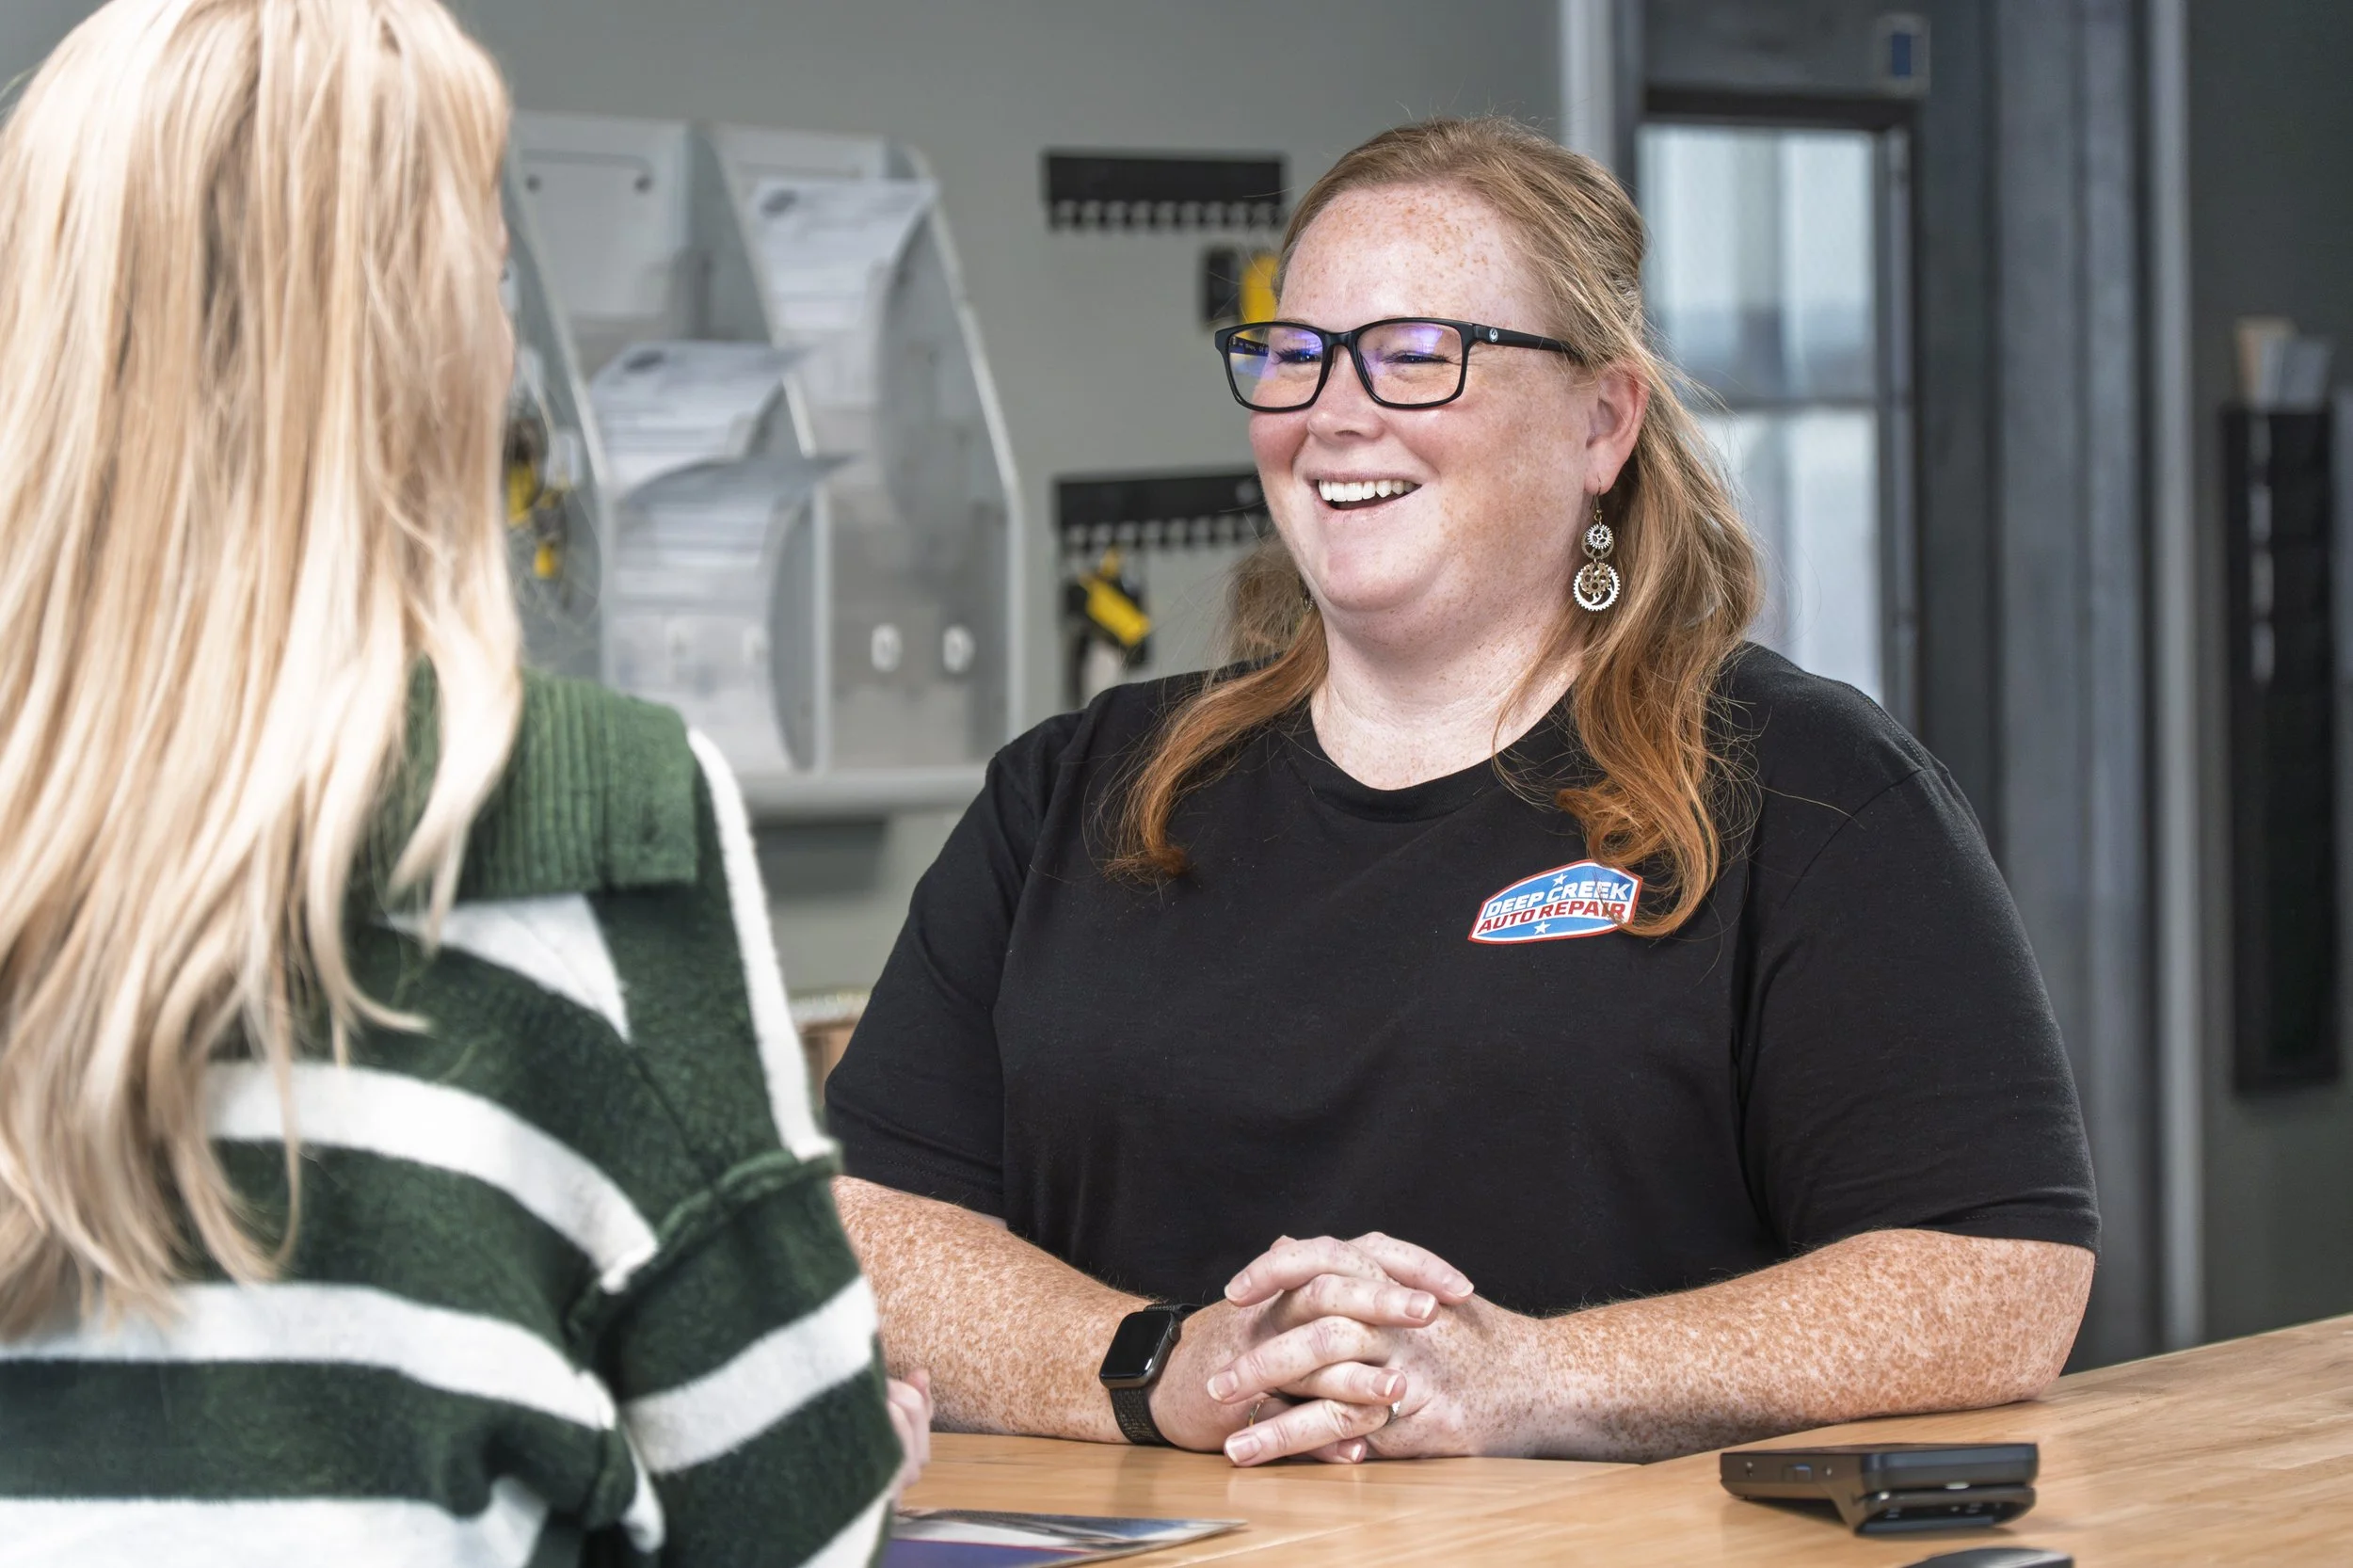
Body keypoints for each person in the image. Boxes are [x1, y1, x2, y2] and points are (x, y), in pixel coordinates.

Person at [826, 117, 2099, 1468]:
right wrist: (1158, 1363)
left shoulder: (1809, 792)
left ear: (1603, 421)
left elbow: (1996, 1276)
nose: (1332, 412)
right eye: (1294, 354)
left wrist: (1537, 1376)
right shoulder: (1072, 795)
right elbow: (868, 1227)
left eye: (1418, 355)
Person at [0, 1, 924, 1560]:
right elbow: (787, 1513)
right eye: (490, 277)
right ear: (424, 351)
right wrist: (856, 1445)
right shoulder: (576, 813)